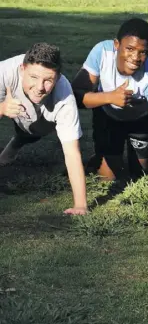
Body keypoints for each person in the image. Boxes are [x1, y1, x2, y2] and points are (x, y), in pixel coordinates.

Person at [71, 18, 148, 206]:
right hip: (108, 117)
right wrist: (110, 97)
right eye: (129, 49)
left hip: (140, 122)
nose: (135, 58)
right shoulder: (101, 52)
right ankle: (101, 157)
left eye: (143, 52)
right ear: (116, 44)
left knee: (141, 173)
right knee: (109, 177)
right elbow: (77, 97)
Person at [0, 43, 88, 215]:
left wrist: (81, 205)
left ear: (58, 77)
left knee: (34, 129)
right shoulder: (3, 72)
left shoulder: (64, 96)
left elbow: (72, 153)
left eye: (48, 80)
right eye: (33, 77)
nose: (40, 87)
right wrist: (2, 108)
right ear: (22, 69)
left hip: (40, 122)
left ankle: (15, 144)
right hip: (8, 103)